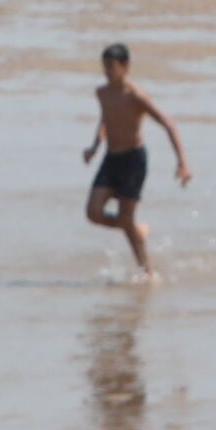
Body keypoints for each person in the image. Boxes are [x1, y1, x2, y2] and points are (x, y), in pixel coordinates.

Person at [78, 41, 186, 279]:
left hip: (133, 161)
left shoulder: (136, 96)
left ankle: (146, 270)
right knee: (93, 212)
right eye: (104, 66)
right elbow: (105, 119)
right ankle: (138, 230)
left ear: (125, 66)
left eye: (111, 66)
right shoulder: (102, 92)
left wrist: (182, 162)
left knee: (125, 217)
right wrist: (95, 146)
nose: (106, 71)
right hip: (111, 158)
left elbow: (168, 123)